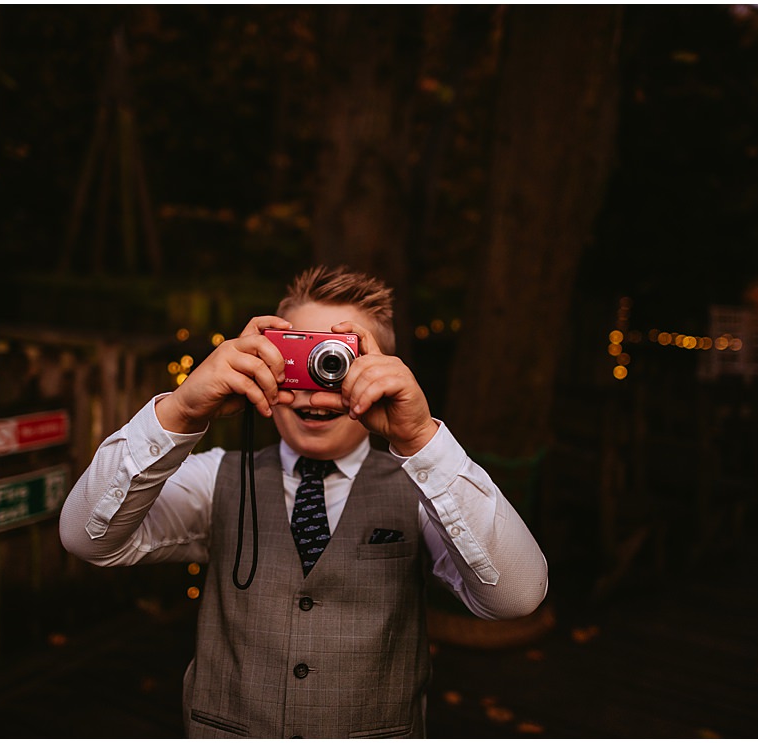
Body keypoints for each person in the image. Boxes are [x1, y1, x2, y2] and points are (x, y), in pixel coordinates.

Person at [60, 265, 548, 738]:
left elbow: (517, 597)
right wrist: (182, 409)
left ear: (381, 370)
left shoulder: (423, 492)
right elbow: (87, 538)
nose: (318, 383)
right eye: (300, 358)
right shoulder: (218, 478)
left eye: (338, 360)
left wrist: (420, 439)